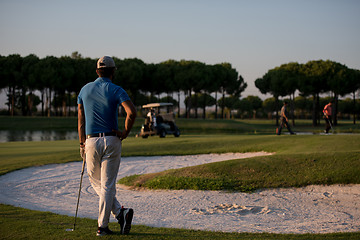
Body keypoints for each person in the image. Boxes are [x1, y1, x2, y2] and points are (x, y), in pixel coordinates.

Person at [77, 56, 137, 236]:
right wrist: (125, 133)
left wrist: (82, 143)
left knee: (97, 182)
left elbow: (81, 118)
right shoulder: (116, 89)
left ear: (97, 71)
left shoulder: (84, 89)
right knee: (107, 185)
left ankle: (105, 225)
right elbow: (132, 113)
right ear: (113, 72)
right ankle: (120, 213)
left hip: (91, 140)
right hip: (112, 139)